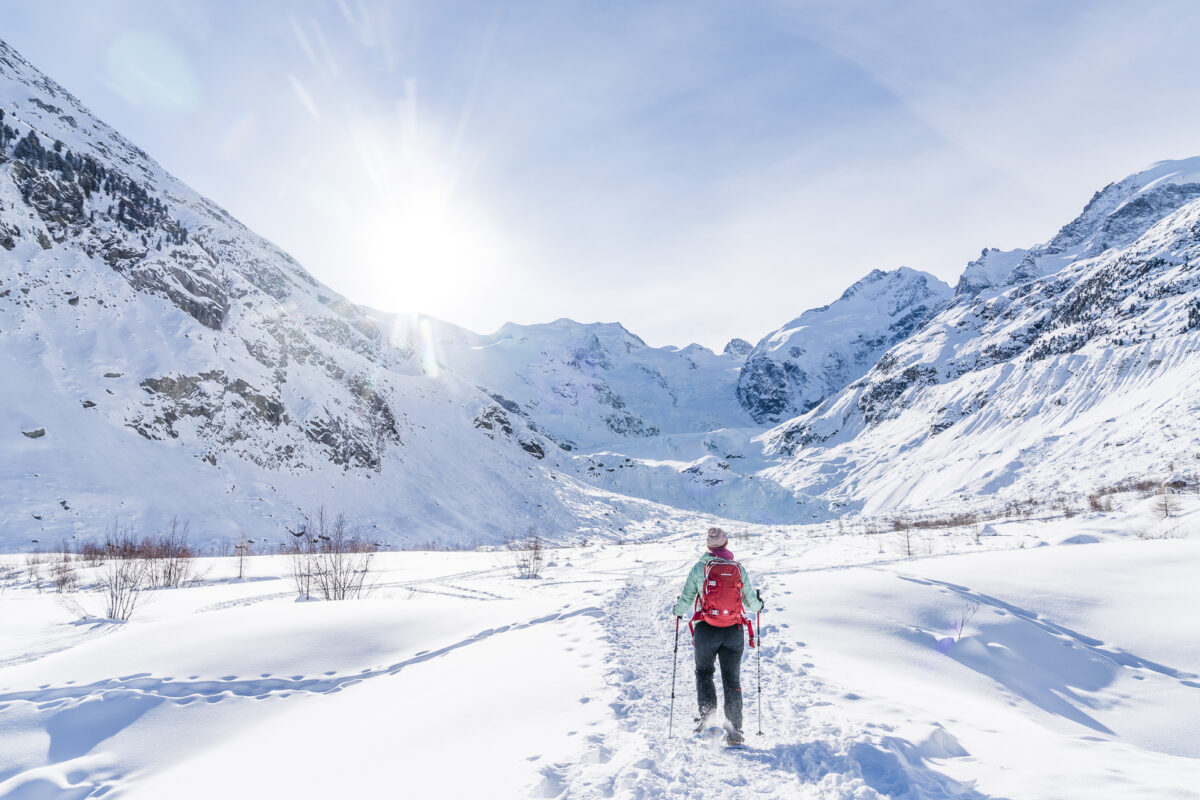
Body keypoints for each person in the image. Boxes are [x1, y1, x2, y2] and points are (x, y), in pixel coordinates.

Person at [671, 526, 764, 746]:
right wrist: (760, 603)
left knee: (704, 673)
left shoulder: (699, 568)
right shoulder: (738, 569)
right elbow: (752, 603)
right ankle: (734, 731)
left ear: (707, 545)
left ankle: (708, 720)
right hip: (733, 631)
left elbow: (685, 600)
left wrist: (677, 611)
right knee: (731, 680)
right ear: (726, 544)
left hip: (706, 630)